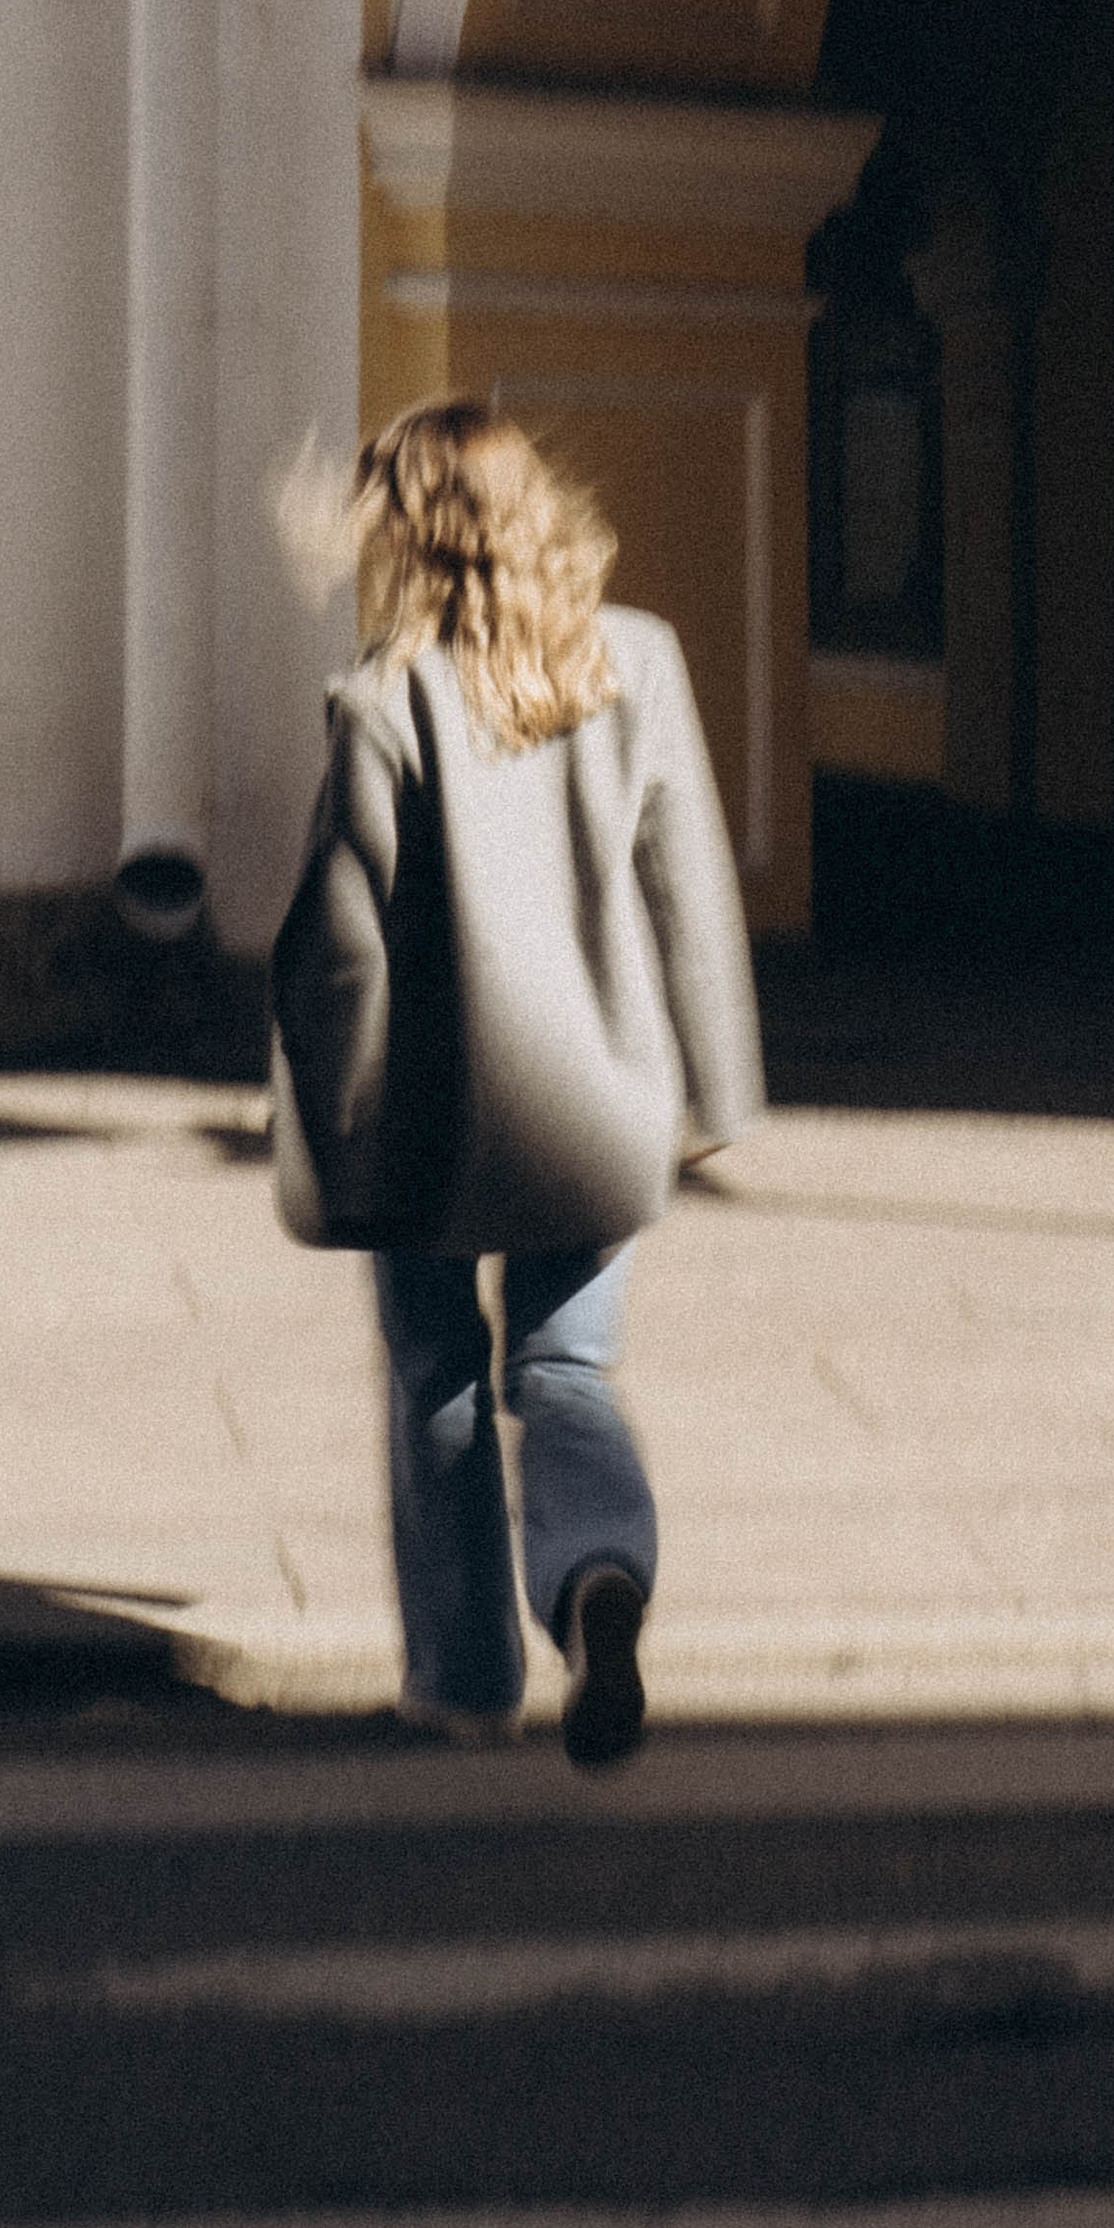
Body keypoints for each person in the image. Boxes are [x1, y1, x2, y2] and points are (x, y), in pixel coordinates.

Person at [270, 398, 763, 1767]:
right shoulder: (638, 660)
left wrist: (332, 1125)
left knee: (437, 1373)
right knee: (568, 1371)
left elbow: (343, 950)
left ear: (412, 536)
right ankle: (597, 1570)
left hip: (436, 1118)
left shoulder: (385, 700)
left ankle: (465, 1681)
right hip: (601, 1102)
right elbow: (688, 885)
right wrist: (714, 1095)